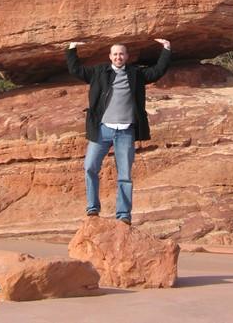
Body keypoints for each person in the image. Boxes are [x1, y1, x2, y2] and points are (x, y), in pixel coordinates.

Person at [66, 39, 171, 224]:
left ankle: (123, 215)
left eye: (121, 54)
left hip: (125, 132)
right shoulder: (99, 72)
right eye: (115, 54)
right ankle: (92, 208)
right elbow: (76, 70)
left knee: (124, 175)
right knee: (90, 166)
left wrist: (167, 49)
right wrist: (71, 49)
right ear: (110, 57)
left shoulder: (135, 73)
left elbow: (157, 71)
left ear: (127, 56)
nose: (118, 57)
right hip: (102, 130)